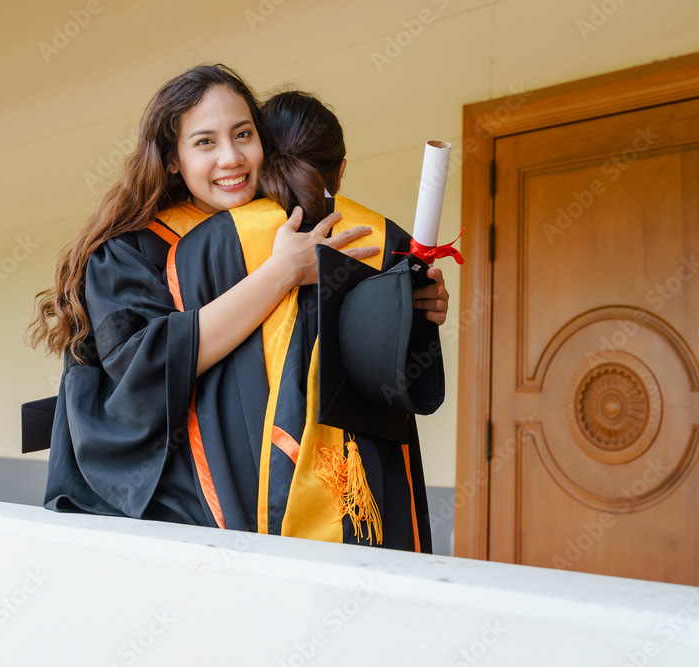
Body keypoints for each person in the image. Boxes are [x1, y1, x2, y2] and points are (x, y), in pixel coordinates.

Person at [30, 66, 447, 547]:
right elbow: (142, 369)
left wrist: (407, 308)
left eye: (243, 134)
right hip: (164, 512)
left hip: (278, 510)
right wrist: (280, 274)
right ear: (171, 158)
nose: (231, 157)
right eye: (205, 142)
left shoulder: (289, 232)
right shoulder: (132, 251)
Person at [167, 91, 446, 552]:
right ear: (340, 169)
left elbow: (177, 365)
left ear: (262, 157)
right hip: (369, 484)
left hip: (246, 484)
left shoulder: (203, 246)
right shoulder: (390, 239)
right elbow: (410, 378)